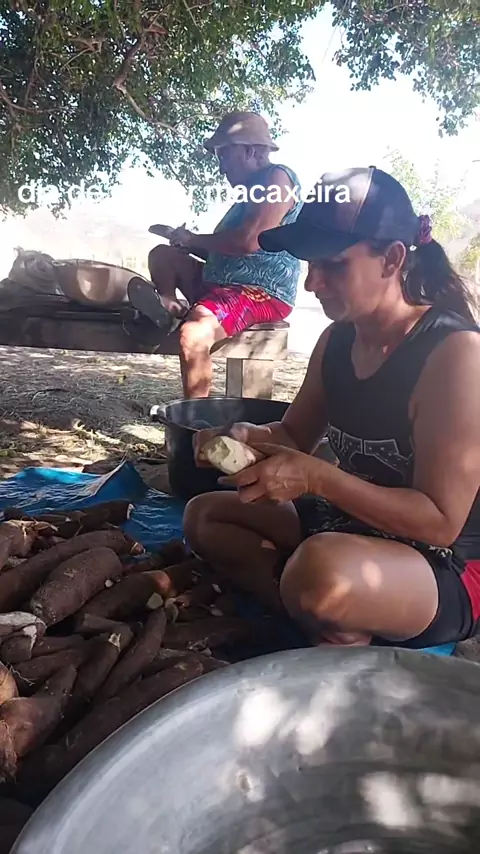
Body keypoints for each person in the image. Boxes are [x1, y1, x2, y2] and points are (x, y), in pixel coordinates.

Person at [184, 165, 480, 650]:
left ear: (392, 259)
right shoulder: (337, 341)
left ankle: (323, 611)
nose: (311, 284)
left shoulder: (454, 353)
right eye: (309, 265)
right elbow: (293, 436)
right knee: (206, 517)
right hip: (355, 527)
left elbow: (440, 522)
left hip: (446, 562)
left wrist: (319, 479)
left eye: (334, 265)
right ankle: (329, 624)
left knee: (320, 571)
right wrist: (245, 438)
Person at [128, 111, 302, 398]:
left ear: (250, 151)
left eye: (225, 156)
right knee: (162, 255)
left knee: (193, 336)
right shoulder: (250, 195)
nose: (221, 168)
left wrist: (192, 238)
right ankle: (169, 306)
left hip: (258, 292)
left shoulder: (277, 179)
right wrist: (183, 242)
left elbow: (249, 242)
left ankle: (196, 422)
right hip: (221, 286)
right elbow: (224, 249)